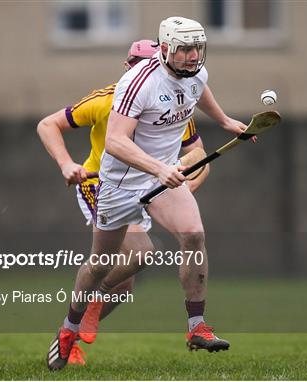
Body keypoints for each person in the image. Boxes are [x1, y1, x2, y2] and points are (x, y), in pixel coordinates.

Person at [47, 16, 248, 371]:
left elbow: (199, 95)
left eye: (196, 49)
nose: (192, 56)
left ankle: (196, 326)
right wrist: (159, 168)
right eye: (184, 49)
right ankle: (69, 327)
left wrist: (225, 121)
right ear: (167, 48)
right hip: (120, 184)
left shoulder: (195, 73)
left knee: (194, 236)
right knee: (102, 265)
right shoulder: (134, 85)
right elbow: (115, 142)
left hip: (161, 181)